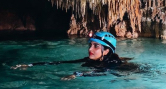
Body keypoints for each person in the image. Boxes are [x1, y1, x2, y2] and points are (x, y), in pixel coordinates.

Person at [10, 31, 138, 80]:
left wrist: (78, 74)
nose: (90, 49)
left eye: (96, 46)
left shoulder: (113, 63)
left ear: (106, 51)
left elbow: (102, 71)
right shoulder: (91, 59)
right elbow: (63, 63)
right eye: (90, 45)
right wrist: (31, 65)